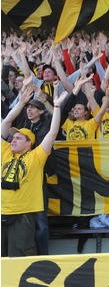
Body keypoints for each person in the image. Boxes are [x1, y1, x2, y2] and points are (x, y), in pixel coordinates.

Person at [1, 84, 67, 257]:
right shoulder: (6, 152)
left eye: (18, 138)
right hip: (2, 212)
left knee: (17, 258)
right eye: (12, 138)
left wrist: (57, 106)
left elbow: (52, 133)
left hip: (23, 215)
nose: (12, 141)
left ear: (29, 142)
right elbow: (6, 122)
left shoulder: (36, 157)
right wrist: (21, 103)